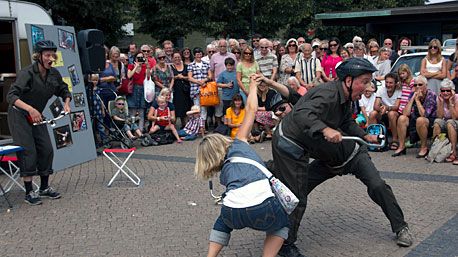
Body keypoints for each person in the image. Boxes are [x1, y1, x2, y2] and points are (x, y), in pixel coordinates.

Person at [266, 58, 413, 257]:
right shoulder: (327, 94)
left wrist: (364, 136)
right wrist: (325, 129)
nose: (368, 86)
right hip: (325, 161)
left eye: (370, 81)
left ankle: (401, 227)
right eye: (365, 81)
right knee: (295, 197)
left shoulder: (346, 97)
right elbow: (301, 114)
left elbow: (346, 122)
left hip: (351, 155)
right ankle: (284, 242)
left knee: (378, 185)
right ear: (349, 80)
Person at [195, 75, 289, 257]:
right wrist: (252, 86)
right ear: (221, 141)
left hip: (232, 210)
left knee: (222, 222)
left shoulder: (224, 171)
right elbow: (252, 109)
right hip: (264, 206)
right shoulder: (238, 142)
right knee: (282, 224)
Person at [7, 40, 71, 205]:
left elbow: (64, 89)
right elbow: (11, 97)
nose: (51, 58)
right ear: (39, 56)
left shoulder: (53, 74)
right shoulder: (27, 73)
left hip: (37, 115)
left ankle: (44, 188)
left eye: (52, 55)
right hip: (20, 115)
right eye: (47, 55)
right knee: (29, 151)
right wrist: (30, 109)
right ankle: (29, 192)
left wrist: (67, 103)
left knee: (47, 148)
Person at [392, 75, 437, 157]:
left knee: (421, 120)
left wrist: (417, 101)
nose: (417, 87)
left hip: (429, 122)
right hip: (414, 120)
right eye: (415, 85)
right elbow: (405, 113)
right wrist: (413, 98)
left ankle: (424, 147)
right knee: (402, 118)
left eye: (420, 85)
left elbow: (425, 114)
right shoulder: (413, 94)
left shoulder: (431, 95)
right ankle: (402, 146)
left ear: (426, 85)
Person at [368, 73, 401, 149]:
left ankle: (394, 140)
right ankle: (374, 138)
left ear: (395, 83)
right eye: (386, 82)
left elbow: (396, 106)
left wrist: (387, 108)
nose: (388, 85)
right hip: (383, 111)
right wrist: (381, 109)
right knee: (372, 113)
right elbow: (375, 105)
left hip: (394, 113)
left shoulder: (398, 91)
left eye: (390, 83)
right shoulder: (381, 89)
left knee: (391, 114)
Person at [431, 79, 458, 164]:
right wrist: (441, 103)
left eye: (448, 90)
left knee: (450, 123)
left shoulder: (457, 98)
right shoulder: (439, 98)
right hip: (445, 122)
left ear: (452, 91)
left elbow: (455, 117)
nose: (445, 93)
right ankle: (436, 150)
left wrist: (450, 102)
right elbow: (440, 116)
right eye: (443, 90)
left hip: (455, 122)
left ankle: (453, 151)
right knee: (437, 122)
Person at [170, 50, 192, 128]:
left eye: (178, 57)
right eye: (175, 57)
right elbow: (169, 78)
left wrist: (183, 77)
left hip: (185, 91)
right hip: (175, 91)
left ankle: (186, 127)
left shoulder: (186, 66)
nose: (177, 59)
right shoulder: (170, 67)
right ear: (172, 58)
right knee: (175, 110)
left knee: (185, 110)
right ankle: (173, 129)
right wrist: (175, 77)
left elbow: (190, 77)